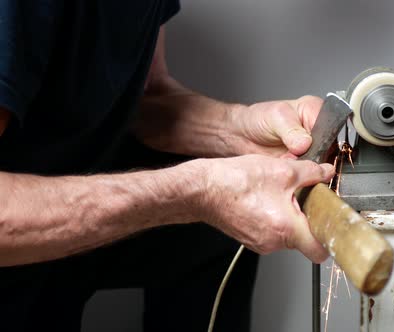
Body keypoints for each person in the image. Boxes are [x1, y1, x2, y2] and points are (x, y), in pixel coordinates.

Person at [0, 1, 334, 331]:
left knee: (211, 234)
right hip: (17, 240)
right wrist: (200, 192)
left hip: (57, 236)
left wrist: (239, 128)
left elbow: (146, 100)